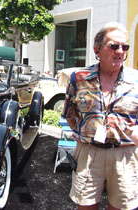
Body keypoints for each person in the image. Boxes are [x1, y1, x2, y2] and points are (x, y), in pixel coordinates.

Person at [62, 21, 138, 210]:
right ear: (97, 49)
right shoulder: (78, 78)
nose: (120, 51)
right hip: (89, 152)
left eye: (124, 46)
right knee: (85, 205)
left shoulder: (136, 80)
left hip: (125, 155)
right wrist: (84, 131)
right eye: (114, 46)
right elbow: (69, 113)